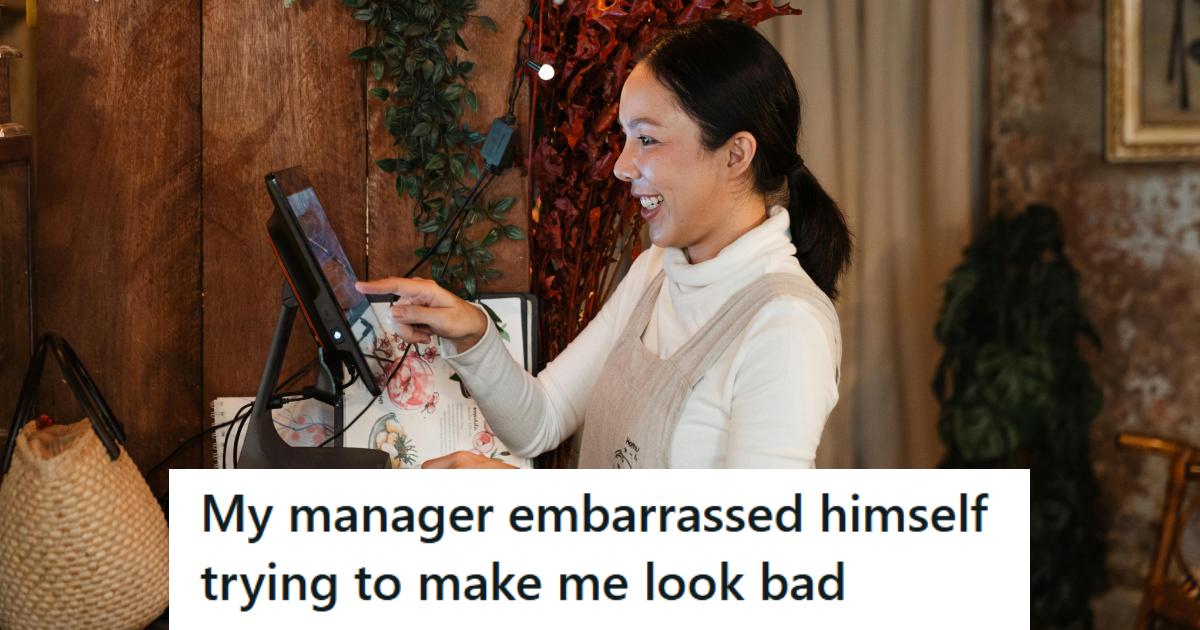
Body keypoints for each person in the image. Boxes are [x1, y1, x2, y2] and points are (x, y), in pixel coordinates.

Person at [357, 19, 851, 469]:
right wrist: (472, 332)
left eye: (648, 140)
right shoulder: (658, 269)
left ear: (736, 153)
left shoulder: (786, 325)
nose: (622, 166)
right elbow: (540, 422)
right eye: (624, 138)